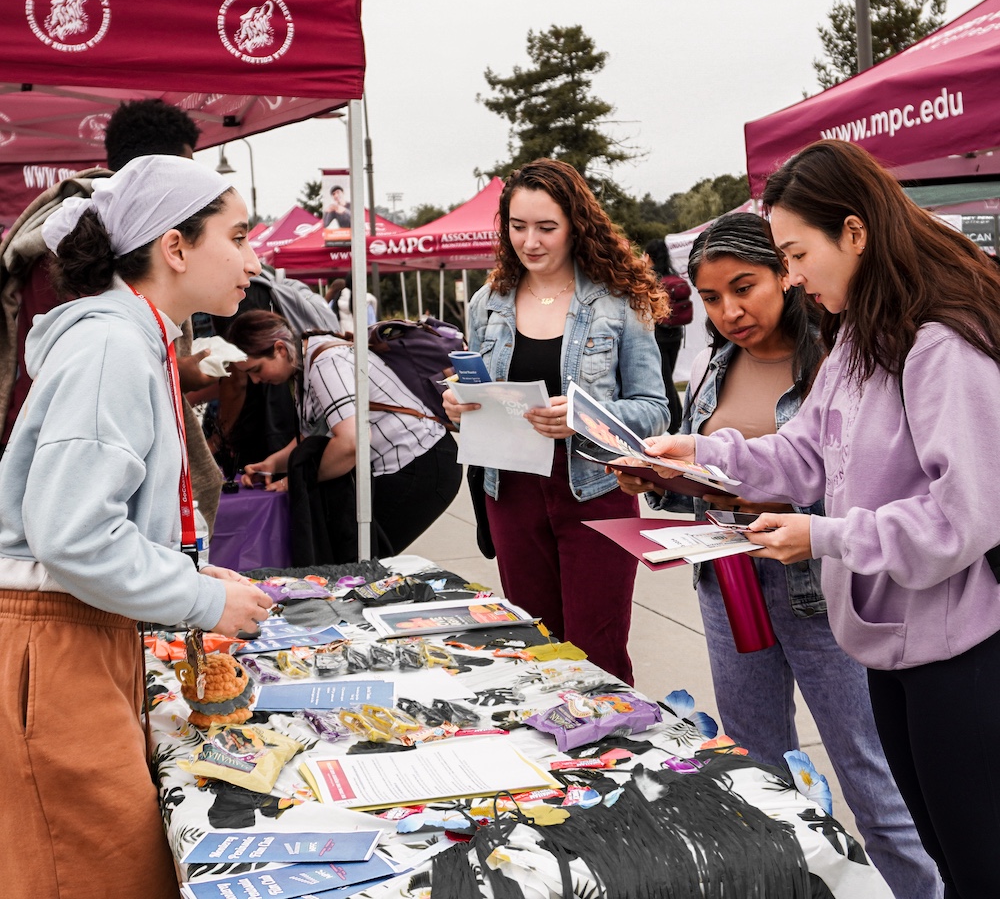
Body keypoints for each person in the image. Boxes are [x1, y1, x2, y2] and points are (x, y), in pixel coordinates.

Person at [643, 139, 1000, 899]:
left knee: (973, 860)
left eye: (797, 254)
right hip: (889, 648)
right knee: (942, 843)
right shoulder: (858, 339)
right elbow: (805, 455)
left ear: (856, 234)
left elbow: (965, 517)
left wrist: (825, 537)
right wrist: (699, 454)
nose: (794, 275)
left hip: (961, 654)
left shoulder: (939, 344)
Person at [0, 155, 274, 899]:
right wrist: (204, 600)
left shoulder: (134, 337)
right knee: (91, 874)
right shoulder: (112, 347)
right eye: (238, 235)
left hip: (78, 629)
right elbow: (72, 535)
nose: (254, 258)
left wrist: (187, 573)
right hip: (57, 639)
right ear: (174, 247)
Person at [442, 158, 670, 684]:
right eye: (518, 227)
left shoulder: (618, 302)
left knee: (598, 654)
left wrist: (588, 417)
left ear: (575, 225)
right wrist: (458, 407)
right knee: (536, 652)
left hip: (596, 493)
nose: (531, 241)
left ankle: (608, 759)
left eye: (546, 227)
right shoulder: (486, 304)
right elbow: (478, 395)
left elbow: (655, 409)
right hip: (510, 493)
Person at [0, 98, 224, 532]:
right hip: (77, 443)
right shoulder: (106, 238)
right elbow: (99, 364)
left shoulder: (65, 227)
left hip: (38, 435)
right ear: (169, 168)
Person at [230, 310, 461, 561]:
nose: (255, 380)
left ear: (280, 350)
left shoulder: (325, 361)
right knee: (356, 560)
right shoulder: (305, 365)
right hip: (408, 465)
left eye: (256, 369)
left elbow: (352, 443)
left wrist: (296, 481)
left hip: (422, 465)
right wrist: (272, 464)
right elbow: (314, 437)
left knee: (358, 564)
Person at [644, 237, 691, 431]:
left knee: (665, 381)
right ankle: (678, 421)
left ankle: (675, 425)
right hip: (676, 334)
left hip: (659, 335)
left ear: (648, 256)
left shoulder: (650, 280)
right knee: (667, 378)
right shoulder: (672, 275)